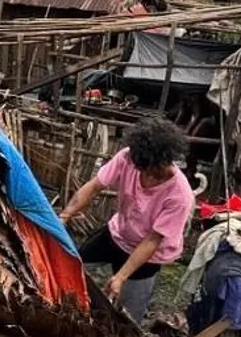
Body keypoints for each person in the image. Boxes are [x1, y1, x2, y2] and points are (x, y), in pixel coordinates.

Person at [58, 117, 194, 323]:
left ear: (165, 161)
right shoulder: (128, 158)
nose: (143, 173)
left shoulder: (180, 196)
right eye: (140, 167)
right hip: (117, 233)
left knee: (128, 317)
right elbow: (95, 186)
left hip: (147, 255)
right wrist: (64, 216)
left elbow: (152, 240)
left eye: (149, 169)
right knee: (71, 265)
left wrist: (120, 277)